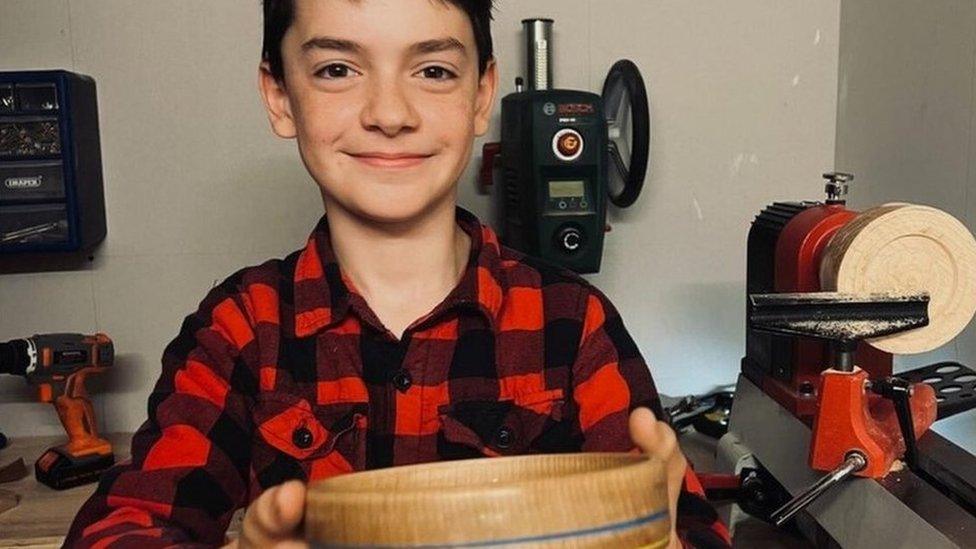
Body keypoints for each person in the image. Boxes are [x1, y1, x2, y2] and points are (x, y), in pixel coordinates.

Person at [65, 1, 730, 547]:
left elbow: (692, 527)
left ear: (481, 95)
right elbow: (126, 525)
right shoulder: (241, 327)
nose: (390, 113)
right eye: (336, 69)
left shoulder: (573, 325)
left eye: (434, 70)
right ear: (280, 96)